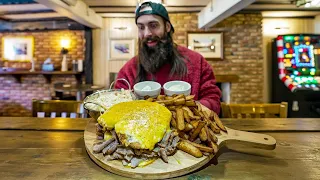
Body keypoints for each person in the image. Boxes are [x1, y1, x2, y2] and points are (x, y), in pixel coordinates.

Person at [115, 1, 221, 114]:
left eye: (153, 25)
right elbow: (118, 104)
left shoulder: (196, 62)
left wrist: (188, 111)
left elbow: (213, 100)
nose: (147, 34)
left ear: (167, 26)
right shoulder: (128, 70)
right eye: (141, 27)